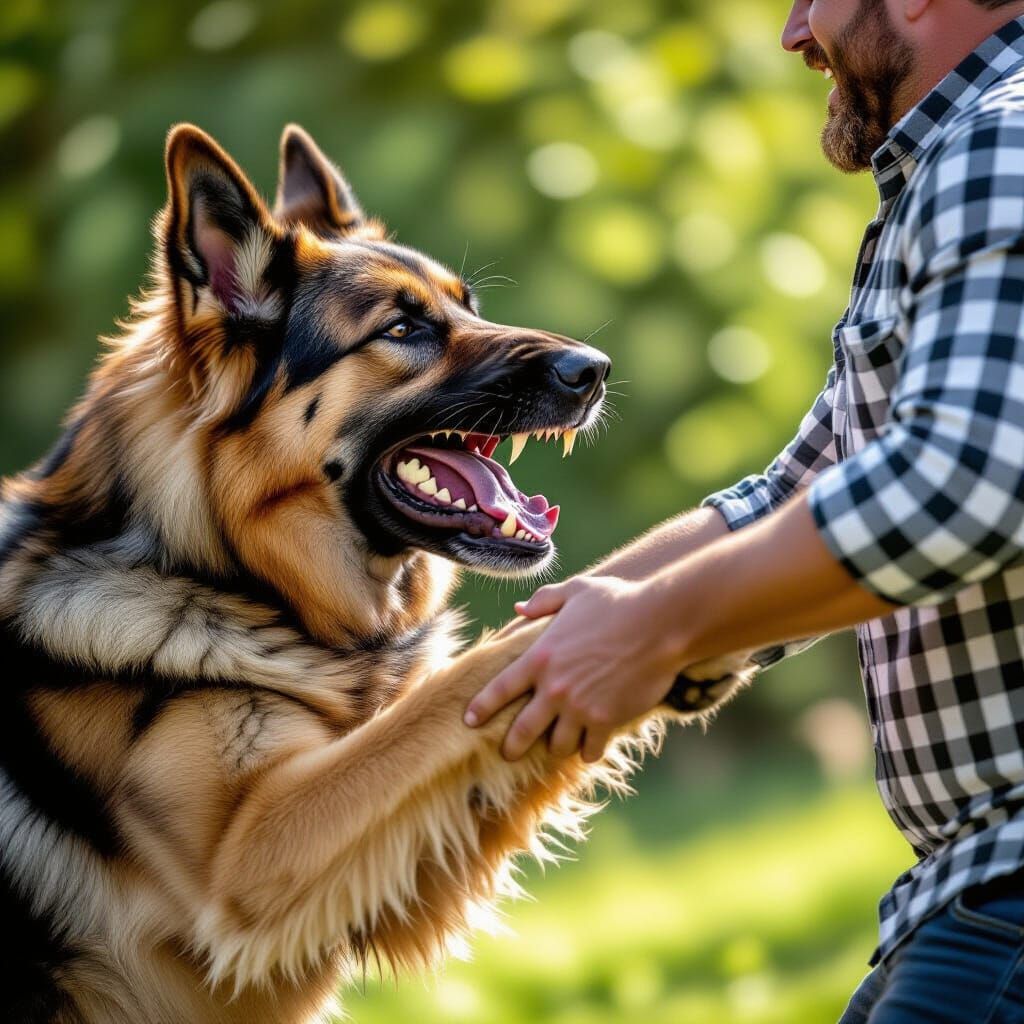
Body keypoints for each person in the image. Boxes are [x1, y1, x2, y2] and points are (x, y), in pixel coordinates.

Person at [464, 1, 1024, 1020]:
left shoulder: (1001, 142)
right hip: (969, 888)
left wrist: (655, 628)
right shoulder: (964, 157)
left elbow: (956, 486)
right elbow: (801, 491)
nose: (792, 32)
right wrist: (590, 615)